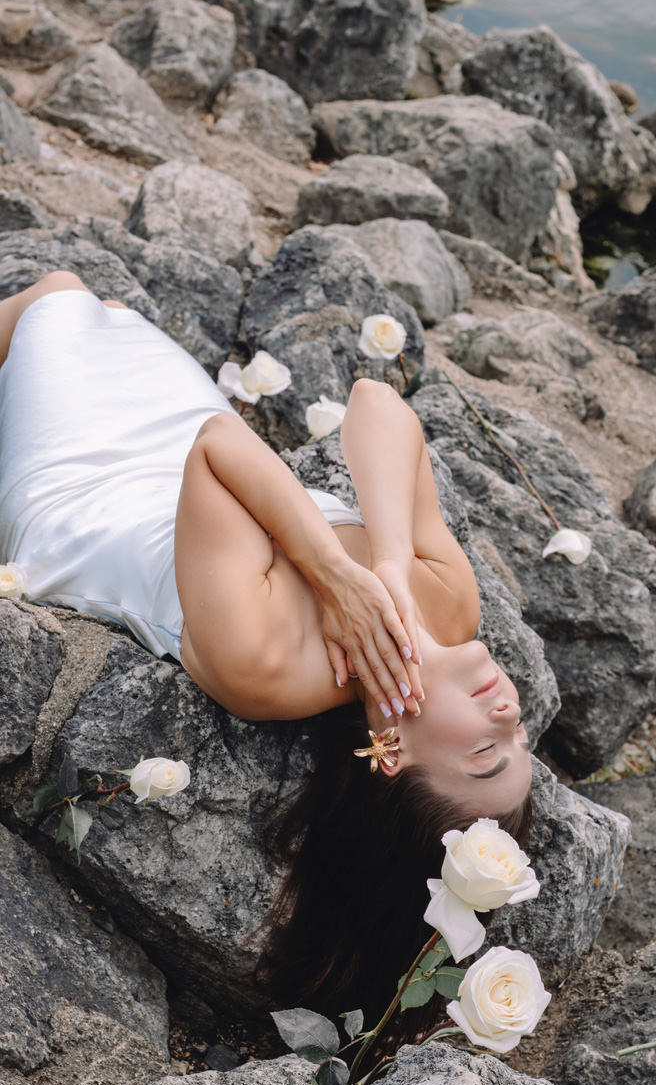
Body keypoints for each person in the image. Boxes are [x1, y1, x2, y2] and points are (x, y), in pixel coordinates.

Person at [0, 271, 534, 1027]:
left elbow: (218, 450)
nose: (509, 713)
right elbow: (376, 407)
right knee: (107, 311)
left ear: (388, 753)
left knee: (56, 297)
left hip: (83, 487)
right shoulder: (449, 605)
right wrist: (385, 571)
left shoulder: (268, 671)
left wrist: (333, 575)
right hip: (173, 430)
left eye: (486, 753)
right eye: (521, 739)